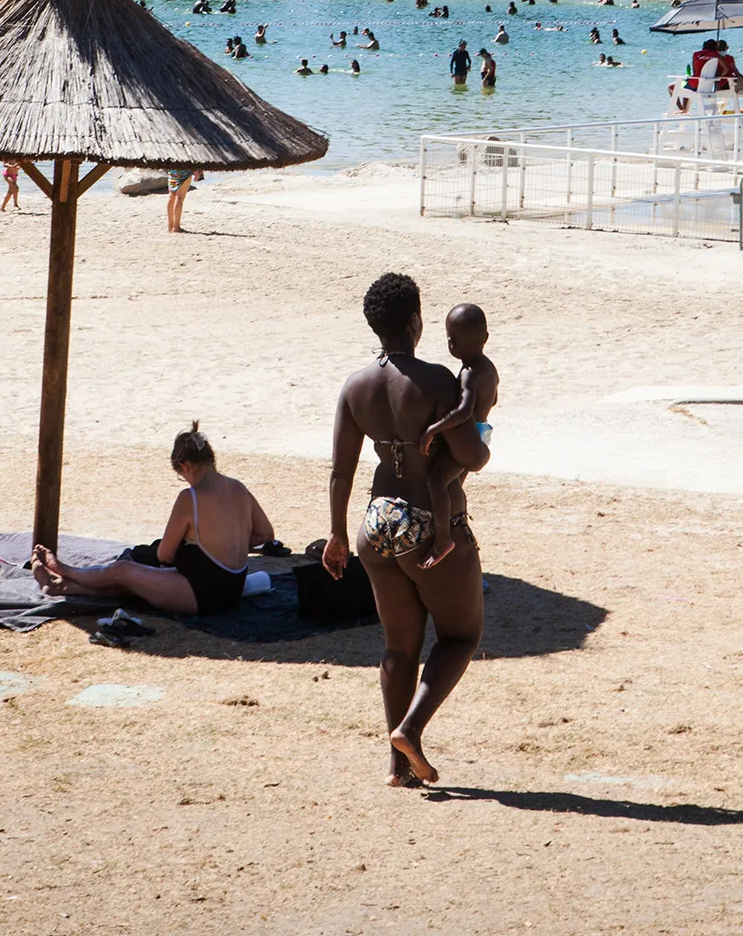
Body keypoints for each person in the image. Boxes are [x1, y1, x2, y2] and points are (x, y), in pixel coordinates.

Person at [323, 273, 489, 785]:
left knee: (398, 647)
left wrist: (336, 534)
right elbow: (471, 457)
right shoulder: (437, 381)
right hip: (430, 524)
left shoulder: (356, 385)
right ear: (416, 320)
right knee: (460, 636)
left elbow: (340, 470)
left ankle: (398, 767)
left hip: (376, 525)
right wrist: (482, 432)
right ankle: (410, 731)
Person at [32, 422, 275, 617]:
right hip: (233, 588)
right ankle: (64, 586)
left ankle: (66, 570)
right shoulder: (238, 488)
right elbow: (266, 534)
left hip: (204, 595)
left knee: (124, 571)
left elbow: (164, 555)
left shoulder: (190, 497)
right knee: (138, 582)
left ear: (184, 466)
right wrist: (229, 543)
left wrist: (201, 548)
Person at [419, 304, 499, 570]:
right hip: (483, 431)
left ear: (451, 344)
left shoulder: (468, 372)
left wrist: (435, 428)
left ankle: (443, 540)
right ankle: (456, 533)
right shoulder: (490, 368)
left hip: (469, 437)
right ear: (485, 337)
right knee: (453, 488)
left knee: (437, 482)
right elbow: (493, 399)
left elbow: (463, 411)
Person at [167, 168, 202, 233]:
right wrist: (197, 172)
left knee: (172, 196)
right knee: (179, 198)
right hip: (185, 171)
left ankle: (170, 226)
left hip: (173, 170)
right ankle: (176, 227)